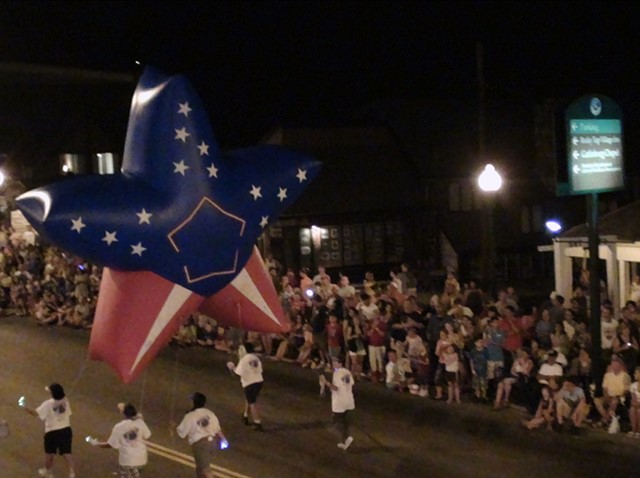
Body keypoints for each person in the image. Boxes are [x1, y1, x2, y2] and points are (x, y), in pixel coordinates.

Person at [20, 383, 76, 478]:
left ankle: (48, 472)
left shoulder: (48, 404)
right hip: (66, 430)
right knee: (67, 453)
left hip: (52, 432)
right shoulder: (66, 401)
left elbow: (35, 413)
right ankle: (72, 472)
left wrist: (24, 406)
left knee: (49, 454)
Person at [89, 403, 151, 477]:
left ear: (124, 414)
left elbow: (110, 444)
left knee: (127, 472)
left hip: (128, 461)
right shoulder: (140, 422)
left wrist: (96, 443)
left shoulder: (119, 427)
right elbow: (147, 436)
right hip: (142, 459)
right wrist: (142, 420)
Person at [176, 392, 228, 478]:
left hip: (200, 445)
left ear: (194, 403)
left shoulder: (190, 416)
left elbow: (182, 433)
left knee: (206, 469)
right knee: (200, 468)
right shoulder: (209, 413)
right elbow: (217, 429)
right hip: (212, 443)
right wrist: (224, 439)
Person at [319, 355, 355, 450]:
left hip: (339, 401)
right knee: (344, 420)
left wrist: (326, 382)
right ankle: (344, 441)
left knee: (336, 422)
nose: (333, 364)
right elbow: (349, 383)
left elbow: (336, 388)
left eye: (335, 362)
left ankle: (347, 437)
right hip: (349, 400)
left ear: (340, 363)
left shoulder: (337, 374)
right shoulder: (347, 372)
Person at [227, 343, 264, 431]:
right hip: (259, 381)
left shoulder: (244, 359)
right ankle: (245, 415)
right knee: (249, 399)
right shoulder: (255, 358)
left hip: (250, 383)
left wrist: (231, 367)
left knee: (252, 403)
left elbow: (237, 374)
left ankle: (257, 422)